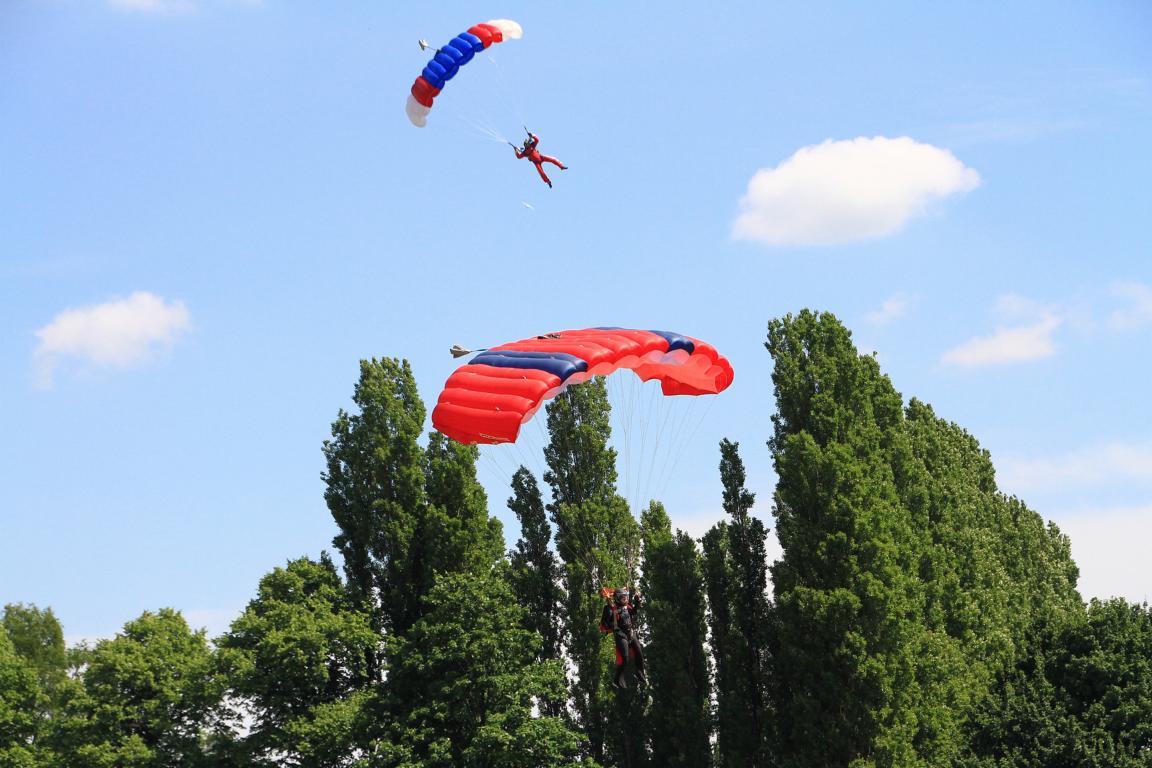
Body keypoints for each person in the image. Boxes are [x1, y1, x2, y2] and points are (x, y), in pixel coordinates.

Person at [599, 586, 646, 689]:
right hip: (621, 635)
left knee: (639, 653)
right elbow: (606, 623)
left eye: (626, 597)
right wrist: (610, 608)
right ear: (618, 599)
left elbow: (634, 612)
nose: (625, 599)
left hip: (631, 633)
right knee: (625, 659)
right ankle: (617, 680)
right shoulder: (612, 609)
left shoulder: (627, 607)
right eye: (623, 598)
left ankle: (639, 674)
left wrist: (637, 601)